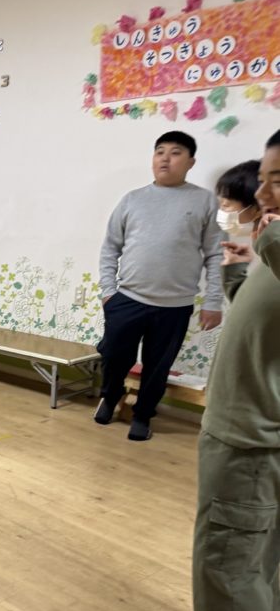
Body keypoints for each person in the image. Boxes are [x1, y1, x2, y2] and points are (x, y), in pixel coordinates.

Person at [190, 130, 280, 611]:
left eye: (278, 182)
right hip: (255, 428)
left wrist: (267, 236)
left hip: (250, 436)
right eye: (264, 180)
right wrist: (243, 272)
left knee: (227, 562)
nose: (263, 194)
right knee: (262, 552)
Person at [96, 131, 225, 441]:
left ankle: (143, 415)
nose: (166, 158)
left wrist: (213, 302)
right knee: (114, 356)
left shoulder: (205, 201)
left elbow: (216, 254)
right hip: (127, 299)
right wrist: (108, 291)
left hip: (175, 305)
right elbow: (110, 247)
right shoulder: (132, 199)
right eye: (160, 152)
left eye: (176, 152)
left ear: (191, 162)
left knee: (158, 366)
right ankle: (111, 396)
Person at [215, 160, 262, 258]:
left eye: (226, 205)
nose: (221, 210)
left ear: (257, 208)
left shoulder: (271, 241)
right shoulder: (260, 238)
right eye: (220, 203)